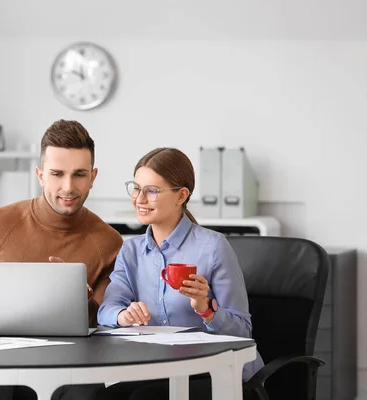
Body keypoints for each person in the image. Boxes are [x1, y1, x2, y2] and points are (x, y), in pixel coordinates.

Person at [0, 119, 123, 400]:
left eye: (79, 174)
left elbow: (107, 320)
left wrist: (79, 295)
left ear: (93, 177)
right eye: (57, 173)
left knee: (85, 394)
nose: (68, 187)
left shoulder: (108, 242)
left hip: (70, 366)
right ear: (40, 175)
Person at [96, 147, 264, 400]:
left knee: (145, 398)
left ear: (181, 195)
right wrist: (122, 315)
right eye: (136, 187)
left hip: (217, 374)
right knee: (103, 396)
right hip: (158, 371)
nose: (139, 199)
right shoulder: (130, 250)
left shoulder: (213, 247)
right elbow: (106, 310)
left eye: (151, 190)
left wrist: (206, 309)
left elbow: (242, 332)